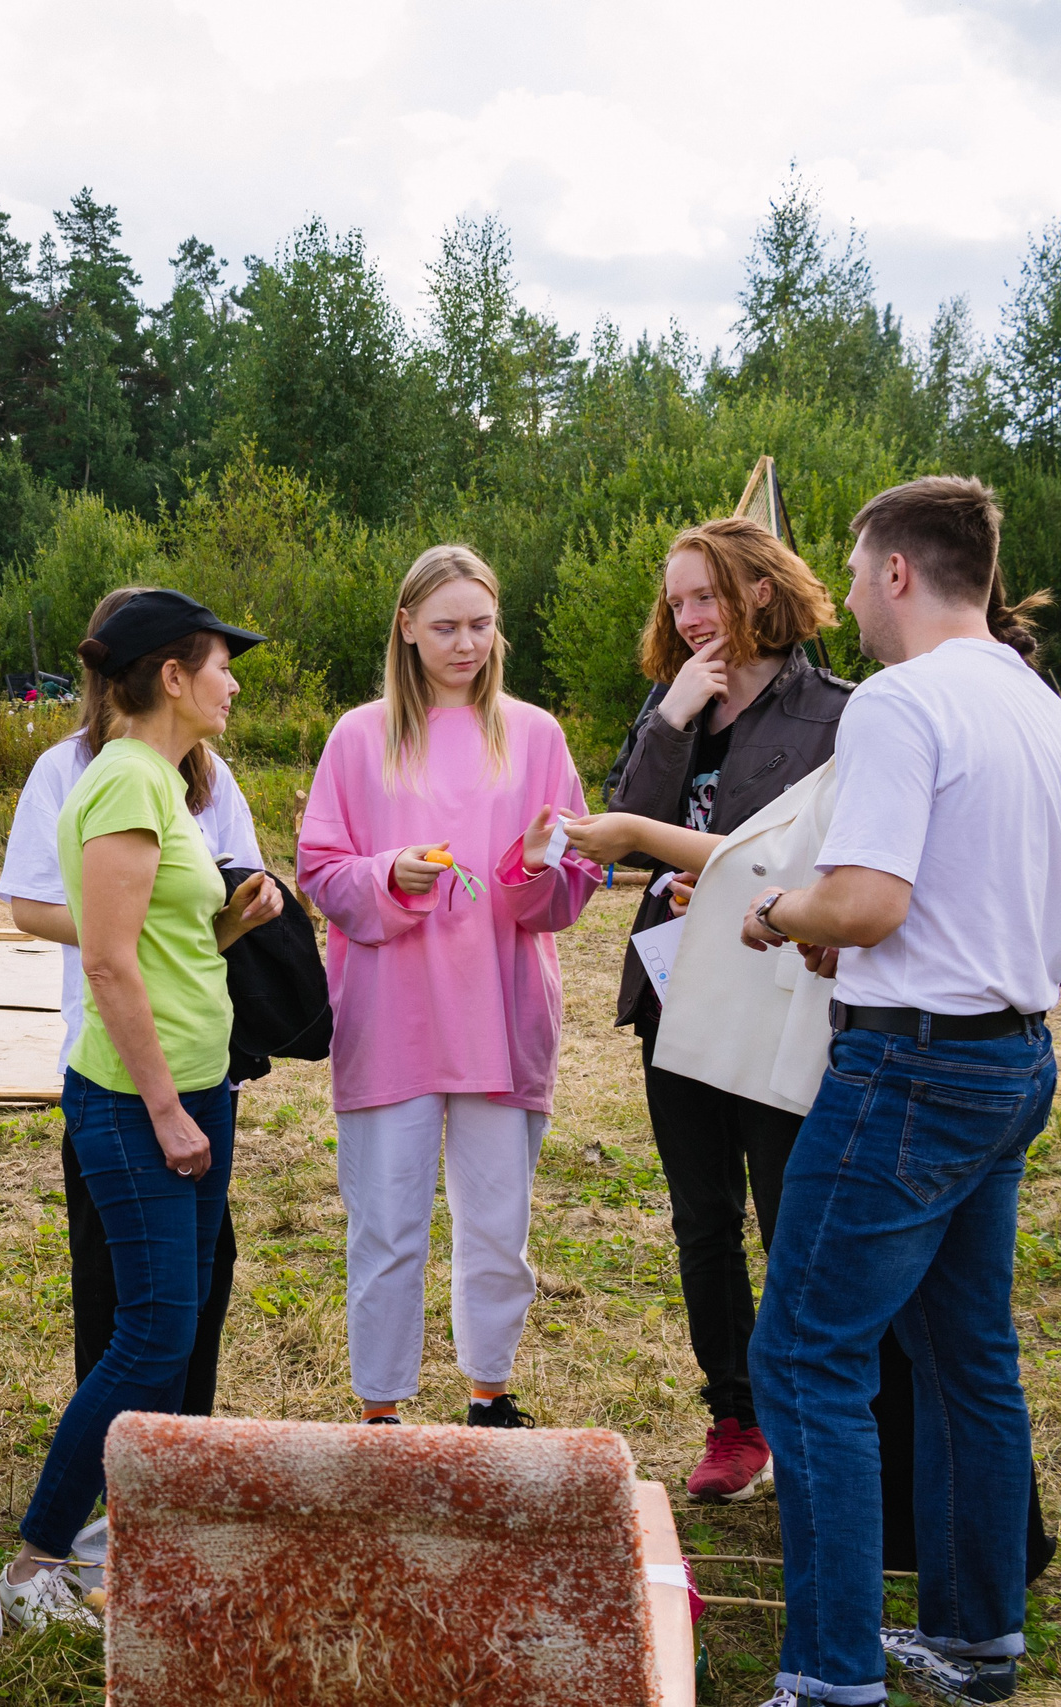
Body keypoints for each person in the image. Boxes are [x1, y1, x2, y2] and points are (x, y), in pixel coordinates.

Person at [737, 476, 1060, 1707]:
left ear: (893, 572)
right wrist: (866, 934)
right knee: (969, 1354)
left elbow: (866, 900)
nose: (854, 597)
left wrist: (784, 915)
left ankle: (829, 1677)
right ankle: (979, 1641)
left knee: (809, 1359)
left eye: (854, 566)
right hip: (1011, 1054)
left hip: (911, 1069)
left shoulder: (899, 702)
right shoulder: (1036, 704)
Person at [0, 591, 283, 1630]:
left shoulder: (159, 781)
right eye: (220, 664)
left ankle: (143, 1535)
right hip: (132, 1101)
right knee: (153, 1331)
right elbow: (111, 968)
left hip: (192, 1084)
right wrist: (166, 1113)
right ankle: (37, 1559)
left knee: (177, 1314)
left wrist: (228, 920)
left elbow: (165, 954)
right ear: (172, 675)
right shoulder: (124, 781)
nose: (233, 681)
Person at [296, 545, 600, 1429]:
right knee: (387, 1222)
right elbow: (320, 868)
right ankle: (381, 1409)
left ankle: (489, 1391)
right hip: (393, 1011)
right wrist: (390, 872)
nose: (465, 643)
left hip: (502, 1011)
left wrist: (532, 869)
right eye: (445, 627)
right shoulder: (359, 735)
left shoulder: (537, 735)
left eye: (480, 623)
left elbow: (568, 882)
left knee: (498, 1223)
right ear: (406, 627)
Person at [592, 517, 852, 1503]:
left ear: (757, 590)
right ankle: (733, 1420)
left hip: (777, 991)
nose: (688, 616)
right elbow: (626, 837)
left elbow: (833, 852)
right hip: (672, 991)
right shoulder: (674, 704)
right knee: (703, 1219)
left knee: (791, 1217)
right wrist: (670, 719)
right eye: (675, 599)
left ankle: (804, 1419)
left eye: (704, 594)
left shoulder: (834, 713)